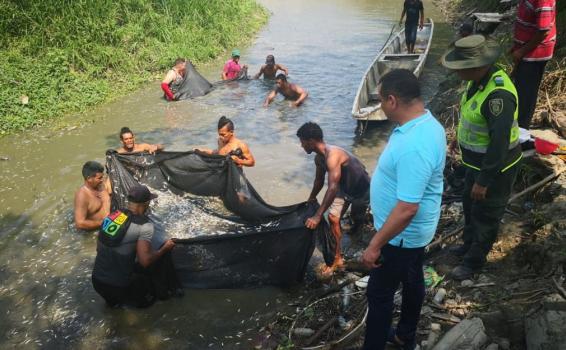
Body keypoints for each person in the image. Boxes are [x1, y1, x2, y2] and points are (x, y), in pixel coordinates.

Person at [361, 69, 446, 350]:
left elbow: (408, 208)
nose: (380, 105)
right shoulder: (427, 123)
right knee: (412, 278)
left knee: (380, 293)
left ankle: (375, 344)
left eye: (381, 100)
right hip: (414, 234)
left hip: (401, 236)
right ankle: (405, 334)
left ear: (393, 101)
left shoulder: (415, 146)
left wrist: (375, 244)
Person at [441, 35, 522, 280]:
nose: (457, 73)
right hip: (473, 163)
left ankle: (473, 263)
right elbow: (472, 116)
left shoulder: (498, 96)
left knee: (487, 213)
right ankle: (468, 245)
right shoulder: (477, 82)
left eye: (460, 68)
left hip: (496, 169)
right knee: (469, 204)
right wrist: (458, 137)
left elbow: (498, 144)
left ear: (477, 66)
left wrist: (484, 180)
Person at [297, 122, 370, 275]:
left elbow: (332, 187)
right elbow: (319, 181)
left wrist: (317, 216)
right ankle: (337, 257)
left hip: (361, 187)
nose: (301, 145)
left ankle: (357, 234)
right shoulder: (319, 159)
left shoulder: (333, 155)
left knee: (358, 219)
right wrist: (310, 199)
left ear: (311, 141)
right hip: (343, 189)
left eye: (302, 141)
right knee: (333, 218)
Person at [91, 185, 177, 308]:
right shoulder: (145, 226)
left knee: (113, 307)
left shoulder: (112, 216)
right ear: (146, 204)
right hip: (119, 286)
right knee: (147, 307)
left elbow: (99, 249)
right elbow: (145, 261)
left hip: (97, 282)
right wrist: (164, 248)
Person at [510, 0, 556, 129]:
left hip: (535, 54)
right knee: (521, 90)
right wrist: (517, 46)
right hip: (526, 51)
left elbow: (543, 31)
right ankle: (519, 127)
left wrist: (522, 51)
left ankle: (521, 131)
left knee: (525, 95)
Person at [74, 161, 111, 230]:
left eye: (102, 177)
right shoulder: (82, 195)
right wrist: (103, 223)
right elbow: (79, 223)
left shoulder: (101, 185)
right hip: (95, 231)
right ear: (89, 179)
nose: (102, 180)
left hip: (109, 224)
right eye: (99, 178)